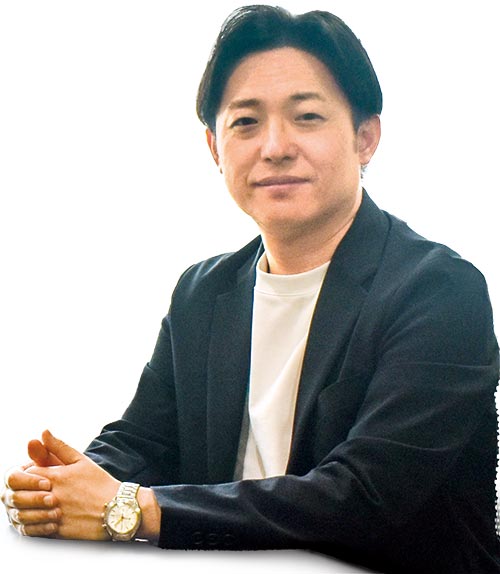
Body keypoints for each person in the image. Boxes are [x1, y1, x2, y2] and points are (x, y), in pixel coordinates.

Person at [2, 5, 499, 573]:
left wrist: (134, 509)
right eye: (245, 123)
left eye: (307, 117)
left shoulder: (440, 293)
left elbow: (364, 497)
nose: (275, 146)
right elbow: (144, 441)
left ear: (366, 138)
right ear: (215, 148)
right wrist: (62, 486)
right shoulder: (202, 292)